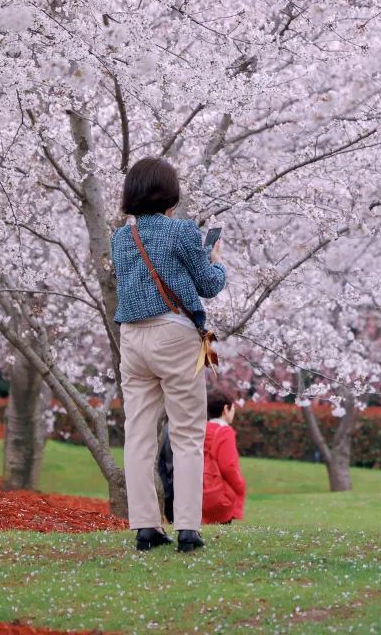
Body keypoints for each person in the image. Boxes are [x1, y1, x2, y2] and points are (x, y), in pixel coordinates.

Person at [112, 157, 227, 553]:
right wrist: (215, 261)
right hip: (174, 336)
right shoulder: (181, 232)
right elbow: (208, 285)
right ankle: (188, 529)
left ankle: (146, 527)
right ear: (170, 194)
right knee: (187, 432)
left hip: (132, 338)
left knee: (138, 433)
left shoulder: (121, 237)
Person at [202, 392, 247, 524]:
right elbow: (228, 466)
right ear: (226, 409)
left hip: (197, 491)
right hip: (219, 495)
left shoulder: (201, 429)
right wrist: (240, 486)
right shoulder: (225, 432)